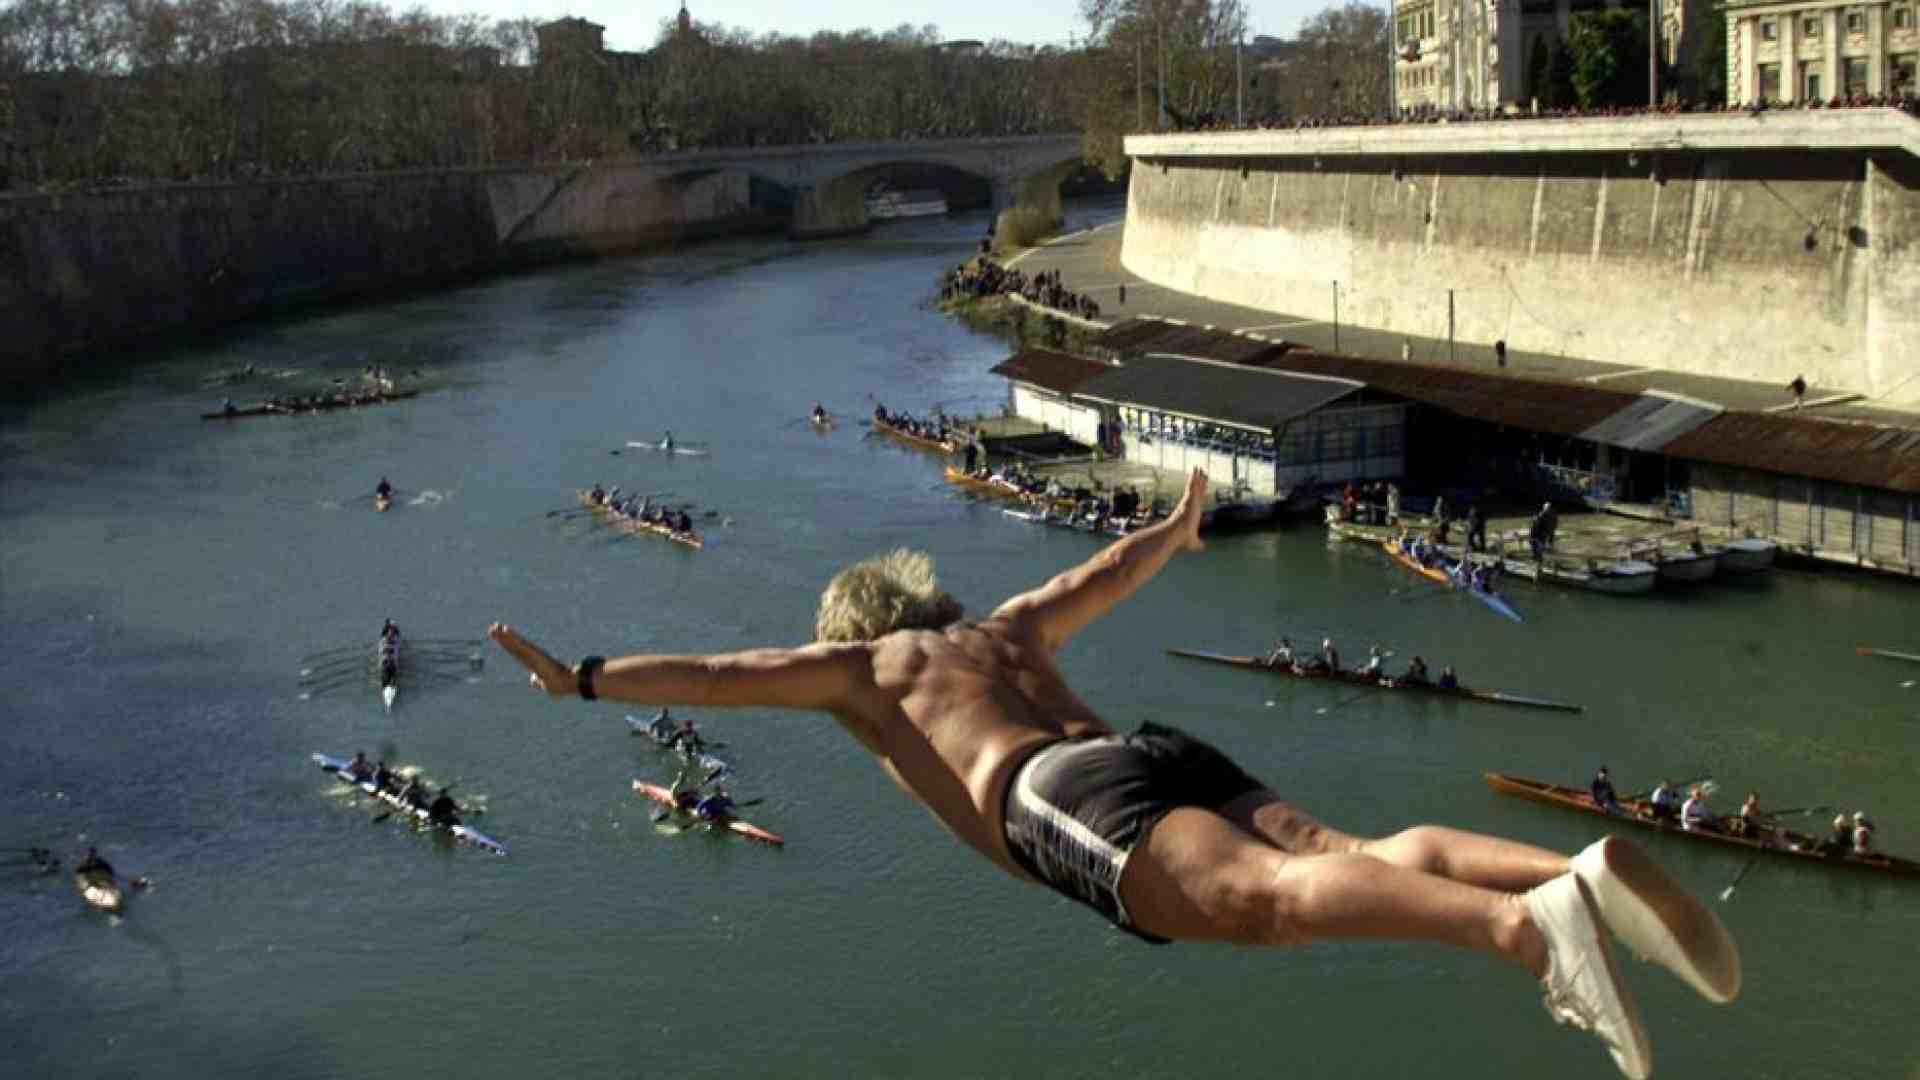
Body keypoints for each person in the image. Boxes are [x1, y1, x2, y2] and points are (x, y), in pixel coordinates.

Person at [489, 466, 1740, 1077]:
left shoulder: (868, 670)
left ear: (847, 630)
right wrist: (1179, 525)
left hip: (1053, 795)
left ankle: (1530, 937)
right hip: (1140, 746)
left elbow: (719, 676)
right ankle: (1567, 872)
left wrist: (582, 678)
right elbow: (1106, 574)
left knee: (1269, 908)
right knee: (1345, 862)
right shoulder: (1001, 628)